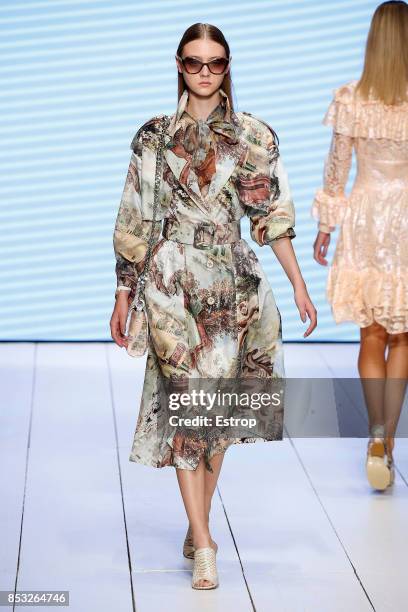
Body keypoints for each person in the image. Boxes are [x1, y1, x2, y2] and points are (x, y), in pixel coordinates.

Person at [110, 22, 317, 589]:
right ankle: (204, 543)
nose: (205, 72)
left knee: (216, 415)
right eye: (195, 62)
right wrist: (124, 291)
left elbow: (270, 216)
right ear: (178, 65)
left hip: (230, 284)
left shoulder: (252, 135)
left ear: (228, 67)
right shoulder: (153, 136)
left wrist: (299, 285)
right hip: (170, 282)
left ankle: (194, 518)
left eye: (215, 63)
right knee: (188, 408)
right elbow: (136, 217)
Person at [311, 1, 408, 491]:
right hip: (406, 220)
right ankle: (388, 444)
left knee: (371, 334)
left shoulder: (352, 98)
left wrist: (326, 226)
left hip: (367, 216)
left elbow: (337, 168)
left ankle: (373, 436)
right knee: (405, 338)